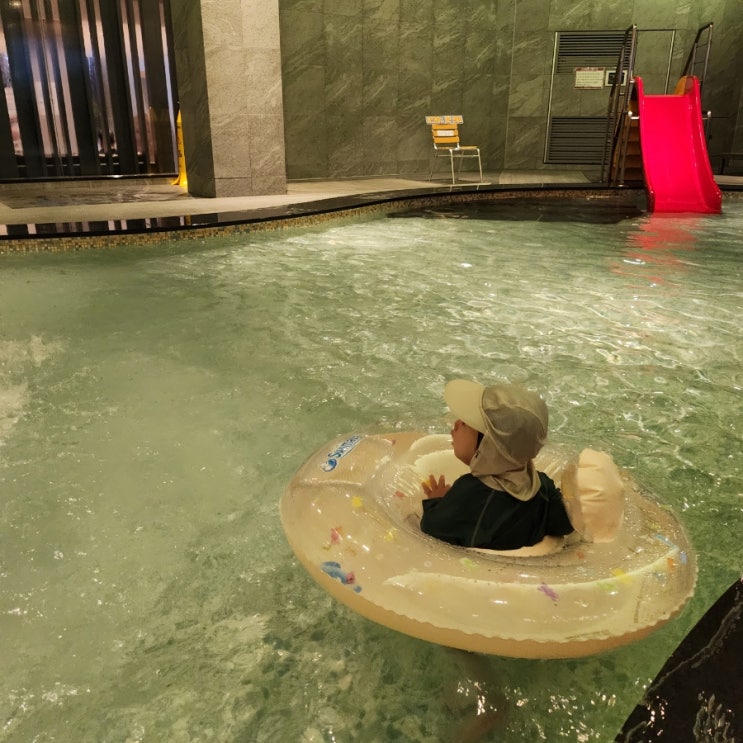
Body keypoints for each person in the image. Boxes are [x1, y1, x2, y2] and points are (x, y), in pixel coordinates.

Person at [420, 379, 575, 550]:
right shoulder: (542, 487)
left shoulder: (469, 494)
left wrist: (436, 501)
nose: (456, 424)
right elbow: (565, 523)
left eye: (465, 423)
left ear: (489, 446)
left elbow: (432, 527)